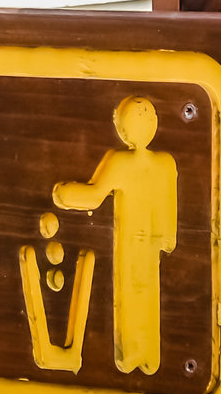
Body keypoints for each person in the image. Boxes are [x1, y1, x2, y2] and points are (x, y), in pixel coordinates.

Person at [51, 95, 177, 374]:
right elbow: (168, 209)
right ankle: (145, 356)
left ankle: (135, 354)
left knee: (132, 293)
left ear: (122, 130)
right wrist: (168, 238)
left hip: (133, 242)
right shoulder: (164, 164)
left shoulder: (123, 162)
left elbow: (94, 196)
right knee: (145, 292)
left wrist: (64, 193)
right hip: (148, 242)